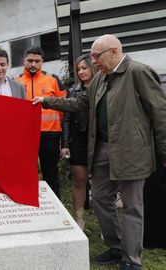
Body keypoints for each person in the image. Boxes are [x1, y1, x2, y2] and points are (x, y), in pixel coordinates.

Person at [32, 34, 166, 270]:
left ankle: (132, 261)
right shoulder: (100, 79)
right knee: (101, 199)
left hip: (131, 152)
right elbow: (79, 104)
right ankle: (116, 247)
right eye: (92, 56)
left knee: (133, 205)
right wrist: (46, 101)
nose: (93, 61)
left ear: (114, 51)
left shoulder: (139, 72)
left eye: (97, 55)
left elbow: (161, 115)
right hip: (102, 148)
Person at [15, 47, 66, 198]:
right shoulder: (15, 82)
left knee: (51, 175)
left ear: (42, 62)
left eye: (37, 61)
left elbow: (64, 108)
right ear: (23, 60)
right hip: (25, 136)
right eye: (30, 60)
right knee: (25, 175)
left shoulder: (53, 80)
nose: (33, 64)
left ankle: (56, 209)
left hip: (50, 135)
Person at [60, 54, 97, 230]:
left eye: (84, 68)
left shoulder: (105, 86)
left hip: (100, 139)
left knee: (101, 182)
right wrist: (65, 144)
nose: (81, 72)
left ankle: (106, 222)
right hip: (78, 139)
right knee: (79, 179)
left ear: (93, 67)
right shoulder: (73, 91)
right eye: (78, 69)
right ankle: (79, 219)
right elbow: (66, 119)